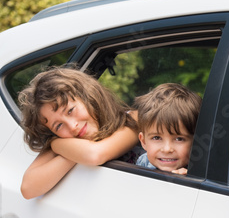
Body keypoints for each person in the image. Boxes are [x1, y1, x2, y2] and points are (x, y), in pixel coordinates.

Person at [19, 68, 139, 199]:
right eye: (58, 126)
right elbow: (28, 188)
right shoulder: (66, 141)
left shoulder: (132, 120)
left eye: (70, 110)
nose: (72, 126)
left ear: (89, 96)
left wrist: (56, 145)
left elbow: (94, 154)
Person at [133, 83, 201, 175]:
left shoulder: (202, 171)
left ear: (195, 142)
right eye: (156, 138)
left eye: (179, 139)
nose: (167, 149)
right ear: (143, 141)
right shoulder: (143, 162)